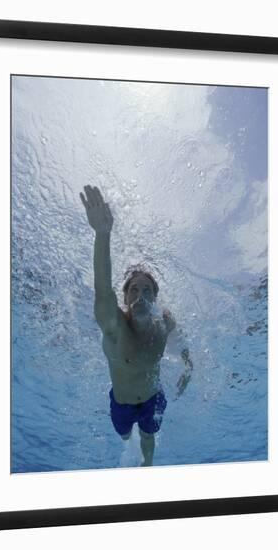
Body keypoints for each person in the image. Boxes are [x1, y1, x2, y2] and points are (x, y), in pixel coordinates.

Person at [80, 185, 193, 466]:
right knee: (124, 434)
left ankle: (148, 469)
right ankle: (128, 450)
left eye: (147, 290)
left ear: (155, 297)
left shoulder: (164, 322)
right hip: (122, 402)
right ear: (126, 298)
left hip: (153, 399)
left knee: (148, 437)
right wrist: (102, 233)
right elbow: (103, 290)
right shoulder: (115, 325)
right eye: (133, 290)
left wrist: (188, 367)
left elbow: (182, 345)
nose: (140, 295)